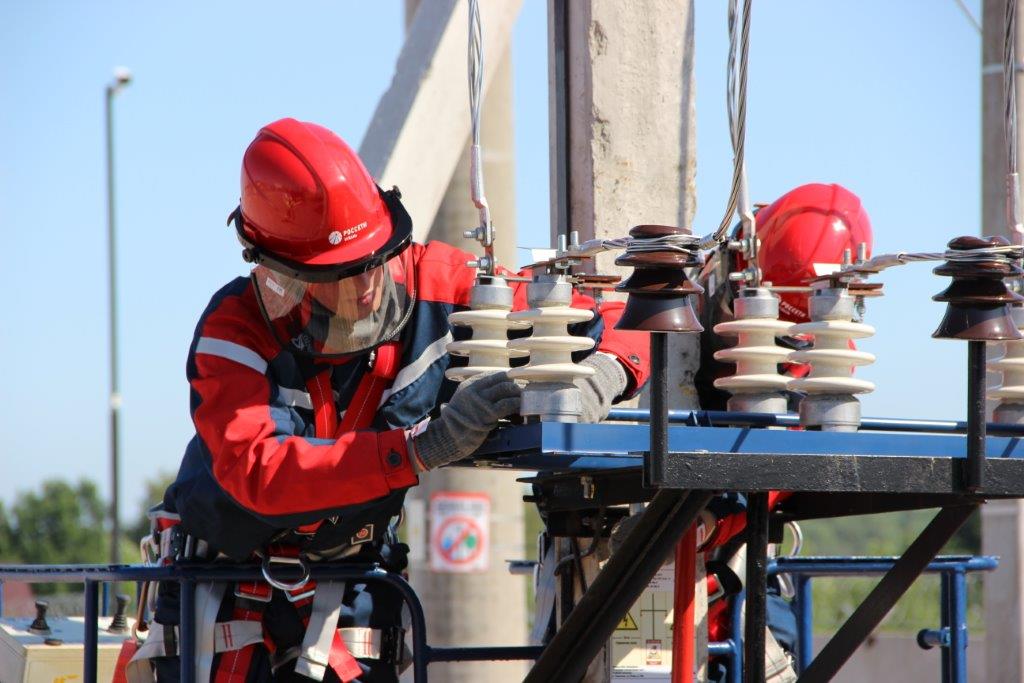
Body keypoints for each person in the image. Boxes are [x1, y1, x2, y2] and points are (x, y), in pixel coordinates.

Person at [131, 118, 650, 682]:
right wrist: (420, 448)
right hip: (219, 596)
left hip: (354, 596)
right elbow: (259, 470)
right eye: (342, 273)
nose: (367, 285)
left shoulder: (442, 285)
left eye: (376, 259)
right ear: (278, 273)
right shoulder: (235, 328)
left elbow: (629, 317)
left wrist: (606, 371)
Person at [693, 182, 874, 682]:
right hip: (648, 580)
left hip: (741, 588)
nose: (769, 345)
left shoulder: (821, 360)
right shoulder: (671, 324)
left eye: (786, 336)